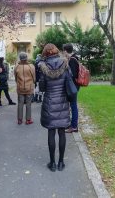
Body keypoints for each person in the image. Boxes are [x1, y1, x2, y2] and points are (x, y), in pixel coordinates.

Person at [39, 43, 70, 172]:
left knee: (51, 132)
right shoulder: (65, 64)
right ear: (57, 51)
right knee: (62, 132)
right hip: (62, 101)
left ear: (45, 53)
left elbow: (42, 88)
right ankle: (61, 162)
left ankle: (52, 163)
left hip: (50, 102)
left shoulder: (43, 67)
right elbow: (69, 81)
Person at [14, 52, 35, 125]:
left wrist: (19, 83)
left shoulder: (17, 66)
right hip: (29, 87)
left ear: (20, 58)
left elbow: (15, 78)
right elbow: (34, 78)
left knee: (20, 104)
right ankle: (28, 120)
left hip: (20, 87)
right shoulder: (31, 66)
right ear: (26, 58)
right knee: (28, 104)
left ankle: (20, 120)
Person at [63, 43, 80, 133]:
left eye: (63, 51)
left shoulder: (72, 60)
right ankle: (72, 124)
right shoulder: (74, 58)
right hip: (74, 86)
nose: (63, 53)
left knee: (73, 106)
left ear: (65, 51)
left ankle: (74, 126)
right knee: (73, 105)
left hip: (73, 86)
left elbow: (73, 74)